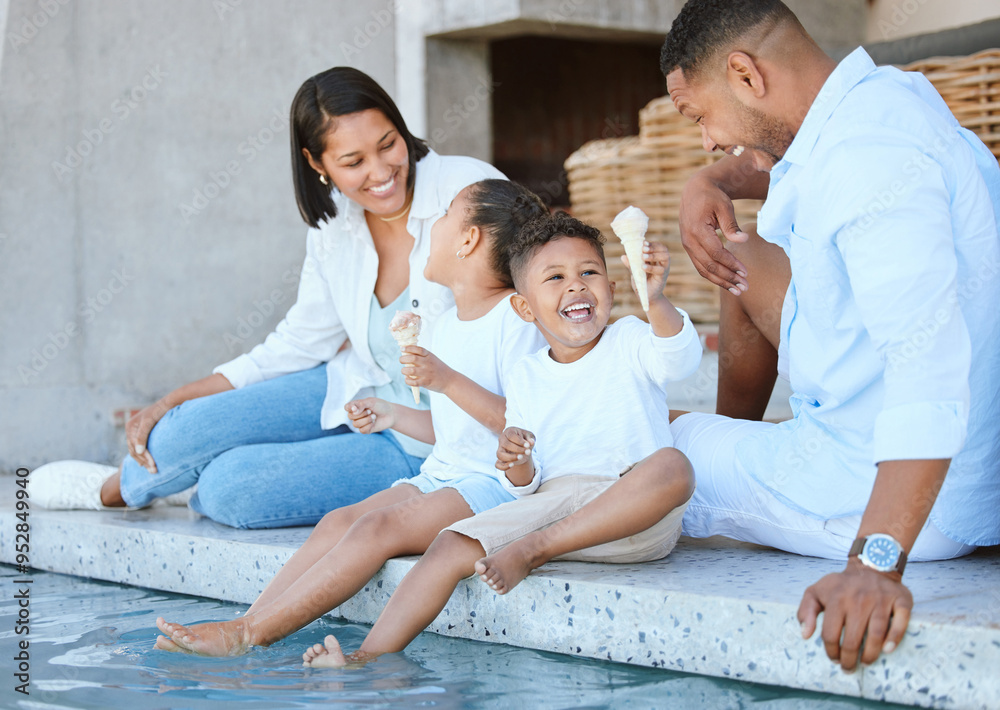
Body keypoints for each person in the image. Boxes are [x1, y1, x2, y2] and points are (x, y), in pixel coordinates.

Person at [660, 0, 1000, 673]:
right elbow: (777, 168)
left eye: (699, 115)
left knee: (639, 437)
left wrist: (875, 563)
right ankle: (742, 454)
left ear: (745, 74)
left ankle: (737, 471)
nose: (706, 138)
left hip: (918, 502)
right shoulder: (880, 101)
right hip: (933, 460)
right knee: (737, 251)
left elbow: (925, 369)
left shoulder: (869, 160)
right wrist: (712, 180)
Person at [28, 67, 505, 528]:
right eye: (353, 162)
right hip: (356, 386)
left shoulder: (467, 191)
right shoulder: (336, 224)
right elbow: (298, 344)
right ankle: (114, 491)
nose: (381, 172)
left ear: (401, 130)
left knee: (232, 488)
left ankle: (184, 481)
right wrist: (171, 399)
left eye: (388, 145)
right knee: (183, 427)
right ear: (317, 163)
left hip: (428, 438)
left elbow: (526, 306)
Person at [152, 179, 549, 655]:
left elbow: (522, 425)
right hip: (445, 473)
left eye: (444, 217)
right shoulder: (444, 326)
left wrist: (446, 381)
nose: (432, 226)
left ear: (468, 239)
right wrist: (392, 414)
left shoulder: (515, 318)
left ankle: (248, 636)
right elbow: (451, 433)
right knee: (338, 522)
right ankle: (249, 620)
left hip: (495, 488)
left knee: (375, 529)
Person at [300, 212, 701, 668]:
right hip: (557, 507)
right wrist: (516, 462)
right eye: (555, 278)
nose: (576, 286)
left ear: (611, 287)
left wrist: (657, 300)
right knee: (450, 543)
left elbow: (680, 359)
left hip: (632, 516)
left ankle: (531, 552)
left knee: (673, 465)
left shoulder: (630, 339)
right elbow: (523, 488)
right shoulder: (526, 375)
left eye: (589, 272)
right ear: (525, 309)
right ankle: (365, 656)